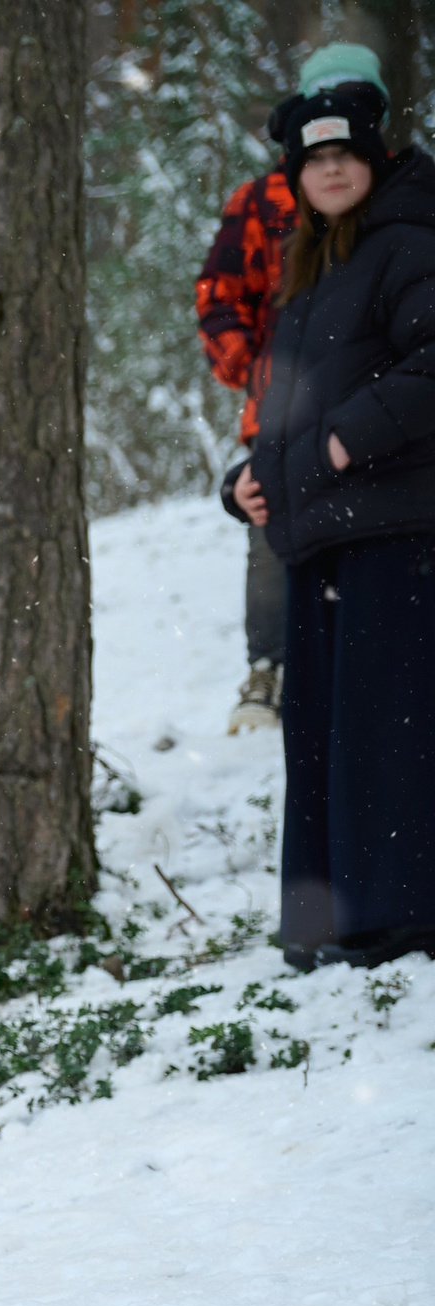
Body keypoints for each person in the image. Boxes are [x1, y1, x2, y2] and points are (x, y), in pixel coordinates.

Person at [221, 80, 435, 970]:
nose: (334, 170)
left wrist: (350, 438)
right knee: (322, 736)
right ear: (297, 177)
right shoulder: (310, 268)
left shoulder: (409, 242)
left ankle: (401, 916)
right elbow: (288, 409)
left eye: (347, 154)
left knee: (387, 733)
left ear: (374, 160)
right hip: (325, 536)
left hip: (397, 532)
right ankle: (331, 920)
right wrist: (247, 481)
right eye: (317, 160)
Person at [198, 43, 386, 736]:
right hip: (285, 411)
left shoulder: (393, 189)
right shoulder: (260, 201)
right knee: (272, 531)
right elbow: (219, 297)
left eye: (356, 101)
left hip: (379, 406)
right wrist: (258, 374)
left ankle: (363, 667)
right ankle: (268, 668)